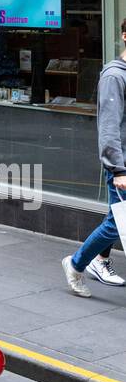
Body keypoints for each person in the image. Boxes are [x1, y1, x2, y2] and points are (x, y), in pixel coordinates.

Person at [62, 18, 126, 295]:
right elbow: (109, 127)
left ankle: (98, 261)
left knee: (115, 219)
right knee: (116, 223)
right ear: (125, 36)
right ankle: (76, 264)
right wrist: (118, 169)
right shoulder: (114, 76)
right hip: (122, 165)